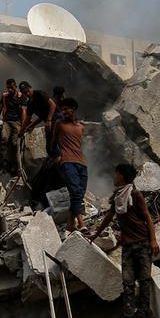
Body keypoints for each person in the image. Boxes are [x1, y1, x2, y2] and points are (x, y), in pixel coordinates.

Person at [89, 163, 160, 318]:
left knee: (144, 281)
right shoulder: (117, 198)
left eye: (117, 174)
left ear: (123, 176)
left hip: (142, 244)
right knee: (128, 284)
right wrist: (96, 234)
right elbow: (109, 217)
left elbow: (147, 218)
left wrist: (153, 240)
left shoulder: (135, 195)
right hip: (128, 246)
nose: (114, 177)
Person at [53, 98, 88, 232]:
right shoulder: (59, 124)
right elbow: (52, 143)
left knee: (79, 194)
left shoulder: (81, 126)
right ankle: (81, 223)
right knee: (75, 192)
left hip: (82, 163)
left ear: (73, 109)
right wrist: (57, 155)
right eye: (62, 109)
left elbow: (80, 145)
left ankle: (69, 222)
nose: (63, 112)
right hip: (67, 162)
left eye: (66, 109)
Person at [0, 78, 29, 172]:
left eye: (12, 87)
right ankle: (3, 162)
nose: (10, 90)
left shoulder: (21, 96)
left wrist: (23, 125)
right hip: (7, 121)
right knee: (4, 139)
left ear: (15, 86)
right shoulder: (5, 96)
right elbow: (0, 108)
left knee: (15, 143)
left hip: (17, 121)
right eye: (8, 88)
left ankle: (15, 165)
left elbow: (24, 111)